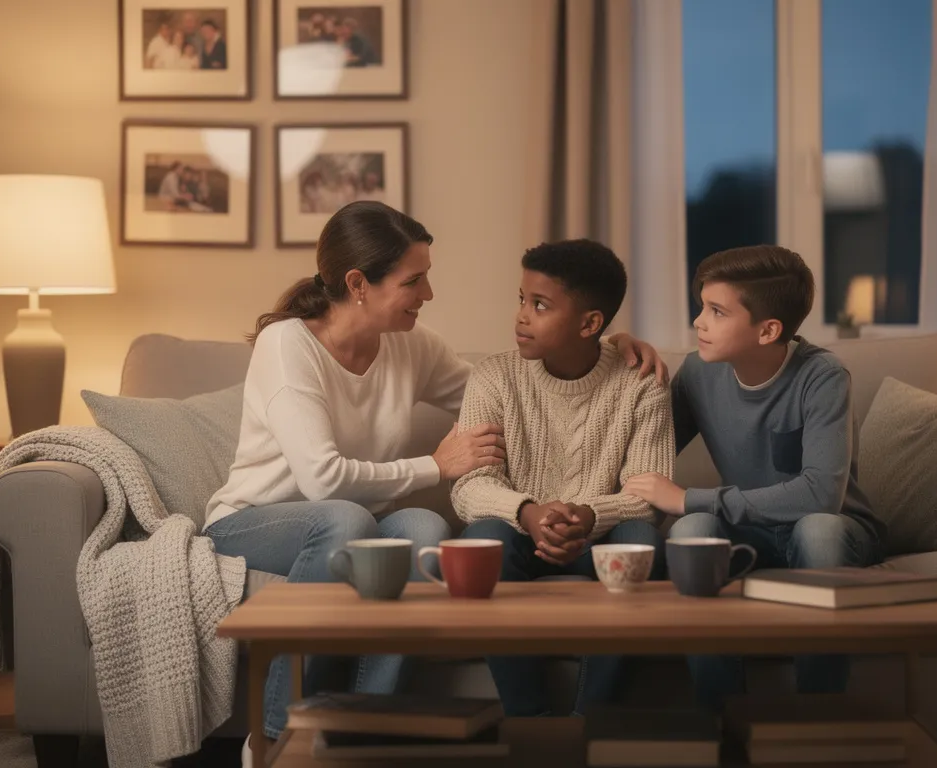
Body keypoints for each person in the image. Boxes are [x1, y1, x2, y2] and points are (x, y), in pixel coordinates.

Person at [202, 202, 668, 760]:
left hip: (353, 521)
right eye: (413, 281)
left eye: (426, 276)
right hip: (254, 521)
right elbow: (322, 481)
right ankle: (277, 735)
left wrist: (606, 346)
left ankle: (360, 724)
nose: (428, 293)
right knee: (344, 519)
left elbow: (515, 388)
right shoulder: (287, 345)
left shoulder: (411, 343)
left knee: (424, 528)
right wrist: (437, 466)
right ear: (358, 284)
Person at [622, 245, 886, 710]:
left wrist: (691, 498)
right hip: (751, 532)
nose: (698, 322)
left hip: (834, 531)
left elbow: (821, 495)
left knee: (817, 529)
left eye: (717, 311)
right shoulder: (698, 372)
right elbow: (642, 448)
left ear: (768, 330)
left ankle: (820, 714)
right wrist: (611, 353)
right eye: (702, 306)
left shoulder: (823, 376)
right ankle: (721, 711)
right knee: (691, 530)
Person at [452, 239, 674, 717]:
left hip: (596, 541)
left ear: (590, 324)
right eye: (521, 299)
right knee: (482, 539)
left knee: (641, 540)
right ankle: (528, 719)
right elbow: (469, 487)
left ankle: (589, 720)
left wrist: (589, 514)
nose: (521, 316)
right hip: (518, 536)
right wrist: (528, 513)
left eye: (540, 305)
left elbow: (650, 495)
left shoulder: (642, 383)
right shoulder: (493, 376)